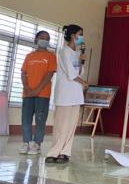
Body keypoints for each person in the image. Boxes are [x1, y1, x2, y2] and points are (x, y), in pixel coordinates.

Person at [45, 24, 88, 164]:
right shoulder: (64, 51)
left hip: (76, 95)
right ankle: (54, 152)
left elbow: (80, 72)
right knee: (60, 125)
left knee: (70, 126)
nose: (81, 38)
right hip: (64, 94)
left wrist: (82, 60)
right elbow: (71, 74)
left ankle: (65, 153)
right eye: (80, 34)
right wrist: (84, 83)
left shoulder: (77, 53)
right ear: (73, 35)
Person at [19, 31, 57, 155]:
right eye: (42, 38)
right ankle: (26, 143)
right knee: (26, 119)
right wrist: (27, 88)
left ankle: (37, 144)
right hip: (28, 94)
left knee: (40, 120)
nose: (44, 40)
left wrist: (37, 89)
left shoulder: (51, 56)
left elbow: (49, 74)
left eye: (47, 38)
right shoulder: (29, 56)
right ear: (36, 39)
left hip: (43, 94)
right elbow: (23, 73)